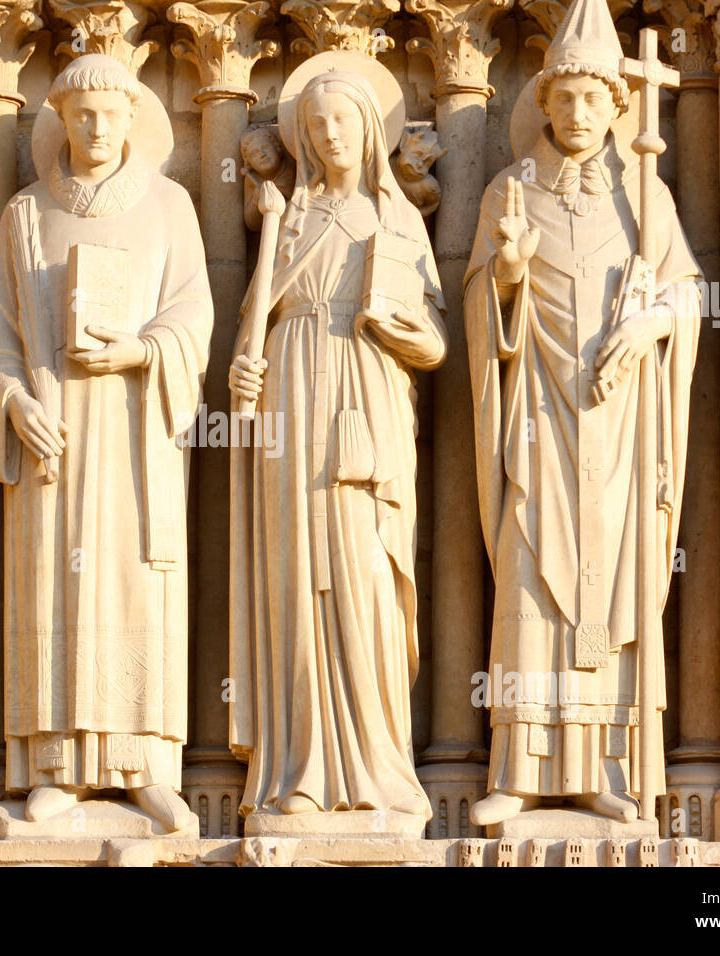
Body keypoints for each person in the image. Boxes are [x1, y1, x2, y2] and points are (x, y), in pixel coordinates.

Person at [463, 0, 702, 825]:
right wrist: (506, 276)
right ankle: (521, 768)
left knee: (613, 588)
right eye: (562, 98)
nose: (576, 112)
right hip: (538, 417)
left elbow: (687, 296)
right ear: (544, 104)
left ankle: (608, 765)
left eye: (592, 99)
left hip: (618, 422)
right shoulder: (509, 189)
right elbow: (477, 306)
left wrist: (651, 324)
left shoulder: (647, 198)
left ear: (615, 106)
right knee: (533, 578)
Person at [0, 54, 212, 833]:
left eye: (112, 112)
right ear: (62, 122)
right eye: (81, 114)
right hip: (58, 431)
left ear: (132, 117)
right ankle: (57, 764)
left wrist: (140, 352)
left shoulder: (171, 205)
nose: (97, 126)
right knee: (55, 580)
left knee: (136, 581)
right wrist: (13, 402)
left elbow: (193, 318)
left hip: (138, 423)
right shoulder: (24, 213)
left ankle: (145, 763)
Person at [228, 57, 447, 825]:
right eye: (315, 125)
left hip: (370, 395)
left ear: (368, 129)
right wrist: (242, 374)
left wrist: (396, 331)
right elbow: (259, 312)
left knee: (363, 570)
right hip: (293, 386)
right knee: (295, 575)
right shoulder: (287, 219)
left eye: (342, 121)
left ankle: (380, 765)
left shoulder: (399, 221)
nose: (328, 135)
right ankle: (302, 767)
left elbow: (436, 344)